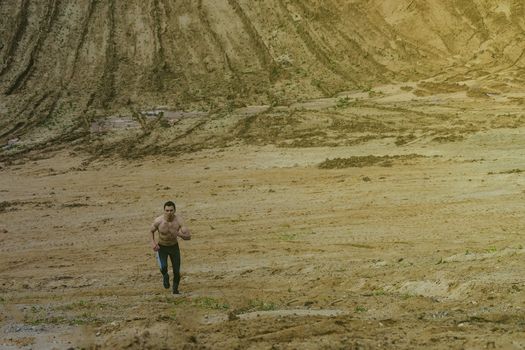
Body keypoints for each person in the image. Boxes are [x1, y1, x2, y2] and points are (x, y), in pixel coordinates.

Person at [150, 201, 191, 294]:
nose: (169, 212)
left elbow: (188, 237)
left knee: (177, 271)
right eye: (167, 210)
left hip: (174, 247)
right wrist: (153, 243)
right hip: (162, 248)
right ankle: (165, 276)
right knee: (163, 266)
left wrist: (180, 234)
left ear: (174, 210)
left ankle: (175, 290)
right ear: (164, 210)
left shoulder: (179, 221)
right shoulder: (158, 221)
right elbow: (151, 231)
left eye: (171, 210)